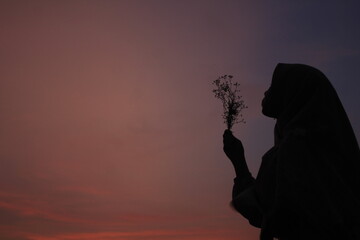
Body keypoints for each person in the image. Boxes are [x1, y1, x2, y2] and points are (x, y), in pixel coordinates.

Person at [223, 63, 360, 240]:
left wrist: (239, 162)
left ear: (293, 94)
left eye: (273, 86)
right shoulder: (321, 149)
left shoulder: (296, 148)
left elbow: (264, 211)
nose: (265, 92)